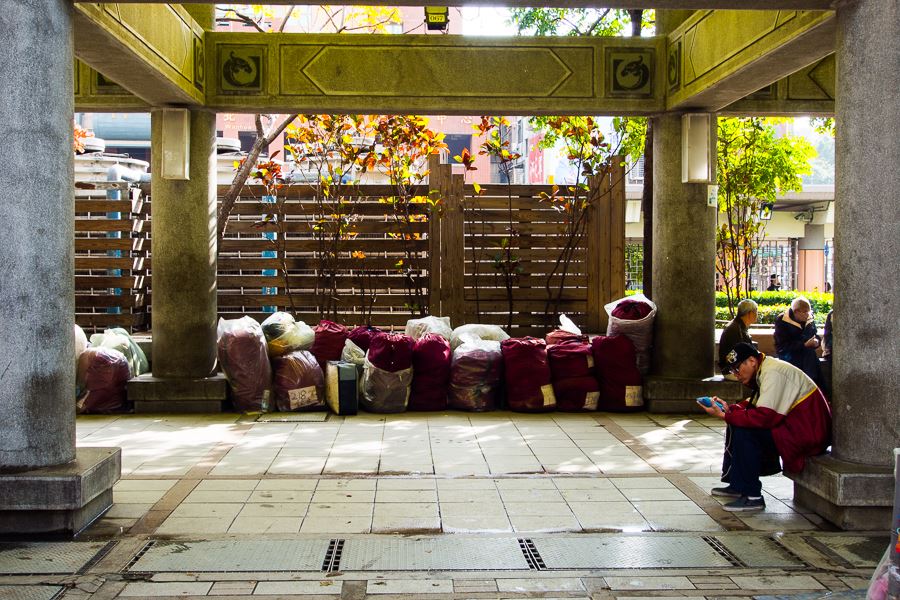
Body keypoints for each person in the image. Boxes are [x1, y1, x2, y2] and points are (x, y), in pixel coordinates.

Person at [701, 343, 831, 512]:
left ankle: (753, 496)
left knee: (747, 431)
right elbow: (757, 404)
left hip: (808, 433)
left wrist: (726, 416)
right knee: (737, 423)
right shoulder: (765, 368)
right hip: (796, 427)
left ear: (752, 361)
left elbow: (764, 417)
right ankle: (738, 485)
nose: (736, 375)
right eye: (733, 371)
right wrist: (730, 409)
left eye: (737, 369)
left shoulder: (773, 372)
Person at [774, 297, 823, 386]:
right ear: (796, 311)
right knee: (809, 356)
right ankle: (811, 385)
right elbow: (783, 345)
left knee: (810, 354)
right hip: (788, 354)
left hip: (806, 353)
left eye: (809, 312)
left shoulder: (809, 319)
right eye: (805, 312)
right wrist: (804, 345)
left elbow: (815, 335)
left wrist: (816, 341)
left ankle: (811, 385)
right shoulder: (782, 320)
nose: (807, 315)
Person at [719, 299, 758, 378]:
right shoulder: (734, 329)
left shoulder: (738, 326)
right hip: (732, 371)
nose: (757, 314)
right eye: (756, 312)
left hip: (736, 368)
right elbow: (732, 356)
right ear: (750, 313)